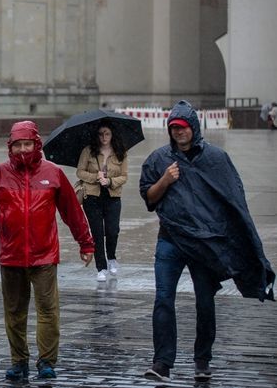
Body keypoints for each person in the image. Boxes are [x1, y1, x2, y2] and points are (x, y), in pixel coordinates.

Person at [140, 100, 275, 383]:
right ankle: (162, 362)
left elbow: (233, 202)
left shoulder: (216, 159)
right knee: (163, 299)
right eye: (174, 128)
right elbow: (150, 199)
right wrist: (165, 180)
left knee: (204, 301)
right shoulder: (158, 160)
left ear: (194, 128)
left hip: (204, 245)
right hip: (170, 241)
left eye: (183, 127)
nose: (179, 132)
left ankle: (202, 359)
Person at [0, 121, 94, 382]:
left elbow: (72, 212)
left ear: (36, 144)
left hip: (44, 255)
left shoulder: (53, 174)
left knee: (48, 311)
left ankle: (46, 361)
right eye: (18, 145)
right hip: (11, 255)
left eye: (27, 144)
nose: (23, 150)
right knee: (14, 312)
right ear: (10, 147)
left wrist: (85, 242)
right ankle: (19, 361)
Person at [75, 120, 128, 282]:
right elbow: (79, 172)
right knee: (97, 233)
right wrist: (95, 178)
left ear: (112, 135)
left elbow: (124, 176)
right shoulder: (88, 151)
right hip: (92, 196)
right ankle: (101, 267)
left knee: (113, 230)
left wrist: (110, 181)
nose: (104, 137)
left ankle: (111, 257)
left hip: (113, 196)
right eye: (101, 134)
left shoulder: (121, 152)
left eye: (107, 133)